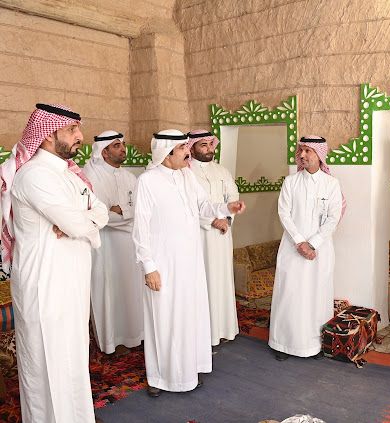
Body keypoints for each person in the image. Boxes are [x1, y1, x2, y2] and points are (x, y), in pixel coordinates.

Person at [0, 103, 108, 422]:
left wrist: (83, 221)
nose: (80, 136)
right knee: (46, 364)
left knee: (72, 359)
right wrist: (81, 221)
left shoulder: (71, 175)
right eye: (72, 130)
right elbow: (76, 223)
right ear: (48, 134)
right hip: (44, 285)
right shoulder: (34, 175)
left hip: (71, 283)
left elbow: (100, 211)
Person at [132, 129, 246, 397]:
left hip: (190, 263)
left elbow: (204, 207)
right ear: (166, 154)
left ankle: (188, 370)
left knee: (189, 316)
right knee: (164, 319)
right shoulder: (148, 181)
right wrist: (149, 267)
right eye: (183, 148)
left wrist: (226, 208)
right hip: (163, 264)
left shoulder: (187, 175)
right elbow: (140, 228)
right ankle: (160, 377)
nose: (188, 152)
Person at [268, 135, 343, 361]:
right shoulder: (290, 182)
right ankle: (283, 343)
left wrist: (313, 243)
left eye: (307, 151)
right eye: (300, 150)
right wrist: (300, 242)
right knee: (290, 294)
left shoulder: (331, 184)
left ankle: (314, 345)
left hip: (320, 250)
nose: (302, 155)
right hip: (292, 248)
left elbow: (333, 218)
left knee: (316, 295)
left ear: (319, 154)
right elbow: (284, 213)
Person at [83, 130, 144, 356]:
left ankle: (134, 336)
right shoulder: (90, 175)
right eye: (117, 145)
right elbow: (101, 217)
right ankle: (111, 342)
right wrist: (122, 214)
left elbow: (139, 211)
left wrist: (121, 211)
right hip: (104, 246)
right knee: (108, 293)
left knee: (131, 289)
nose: (123, 149)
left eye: (123, 144)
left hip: (129, 244)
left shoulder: (130, 177)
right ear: (104, 152)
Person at [188, 129, 240, 347]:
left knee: (222, 279)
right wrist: (211, 221)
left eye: (211, 144)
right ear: (191, 148)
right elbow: (188, 205)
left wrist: (226, 219)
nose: (209, 149)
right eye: (203, 145)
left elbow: (233, 197)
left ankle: (224, 328)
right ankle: (204, 332)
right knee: (203, 280)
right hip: (199, 236)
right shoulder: (186, 172)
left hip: (222, 234)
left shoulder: (222, 170)